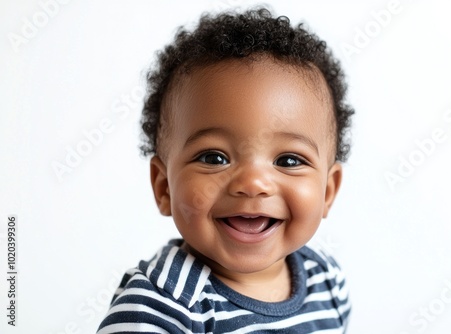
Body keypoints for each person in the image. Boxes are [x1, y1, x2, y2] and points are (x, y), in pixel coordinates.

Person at [97, 7, 354, 333]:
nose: (253, 183)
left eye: (288, 161)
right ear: (164, 187)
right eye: (214, 158)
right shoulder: (159, 307)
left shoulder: (326, 281)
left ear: (328, 192)